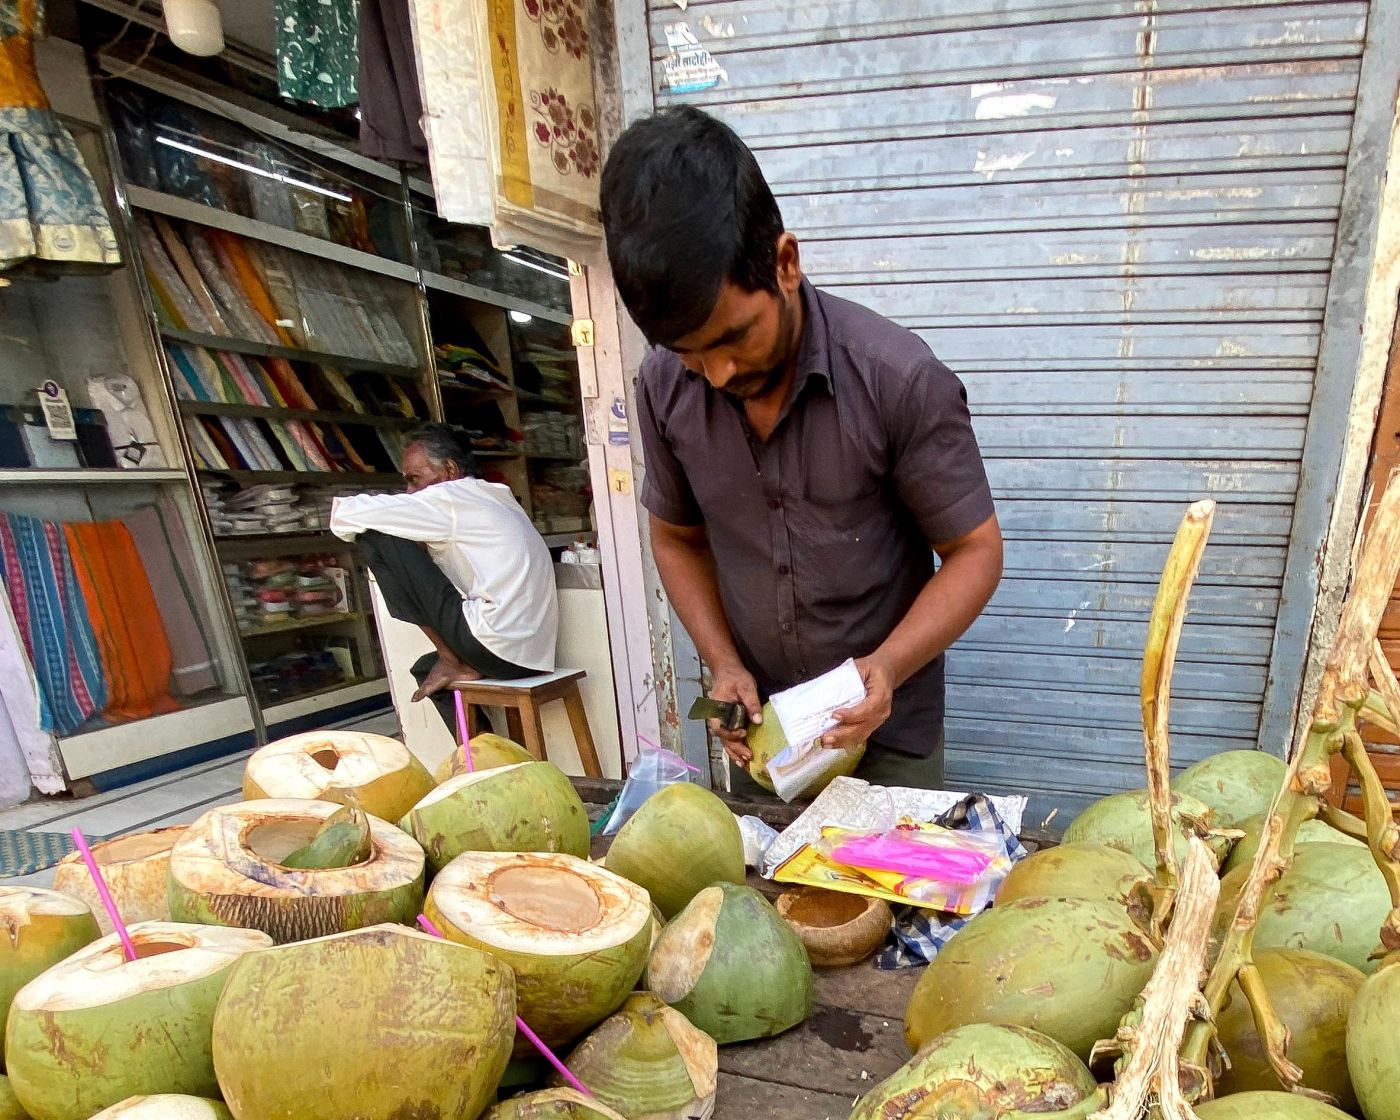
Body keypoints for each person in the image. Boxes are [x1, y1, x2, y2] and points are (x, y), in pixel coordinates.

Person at [600, 106, 1004, 792]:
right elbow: (675, 538)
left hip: (888, 733)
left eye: (733, 337)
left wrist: (888, 668)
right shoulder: (665, 387)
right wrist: (721, 660)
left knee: (890, 898)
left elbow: (975, 553)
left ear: (785, 262)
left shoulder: (899, 379)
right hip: (763, 735)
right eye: (691, 353)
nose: (719, 374)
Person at [329, 423, 558, 731]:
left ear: (449, 470)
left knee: (376, 535)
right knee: (425, 671)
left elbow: (345, 515)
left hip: (494, 645)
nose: (410, 492)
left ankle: (451, 660)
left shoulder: (450, 497)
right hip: (531, 654)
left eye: (414, 479)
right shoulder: (495, 495)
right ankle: (486, 755)